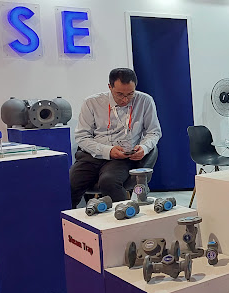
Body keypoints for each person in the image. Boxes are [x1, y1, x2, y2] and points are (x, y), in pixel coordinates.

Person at [69, 68, 162, 208]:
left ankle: (124, 216)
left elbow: (154, 132)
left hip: (123, 158)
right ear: (110, 87)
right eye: (119, 94)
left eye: (130, 94)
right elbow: (82, 137)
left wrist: (144, 147)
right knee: (68, 186)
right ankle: (63, 220)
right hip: (92, 155)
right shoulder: (92, 103)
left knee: (109, 182)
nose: (125, 99)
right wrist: (108, 151)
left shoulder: (144, 101)